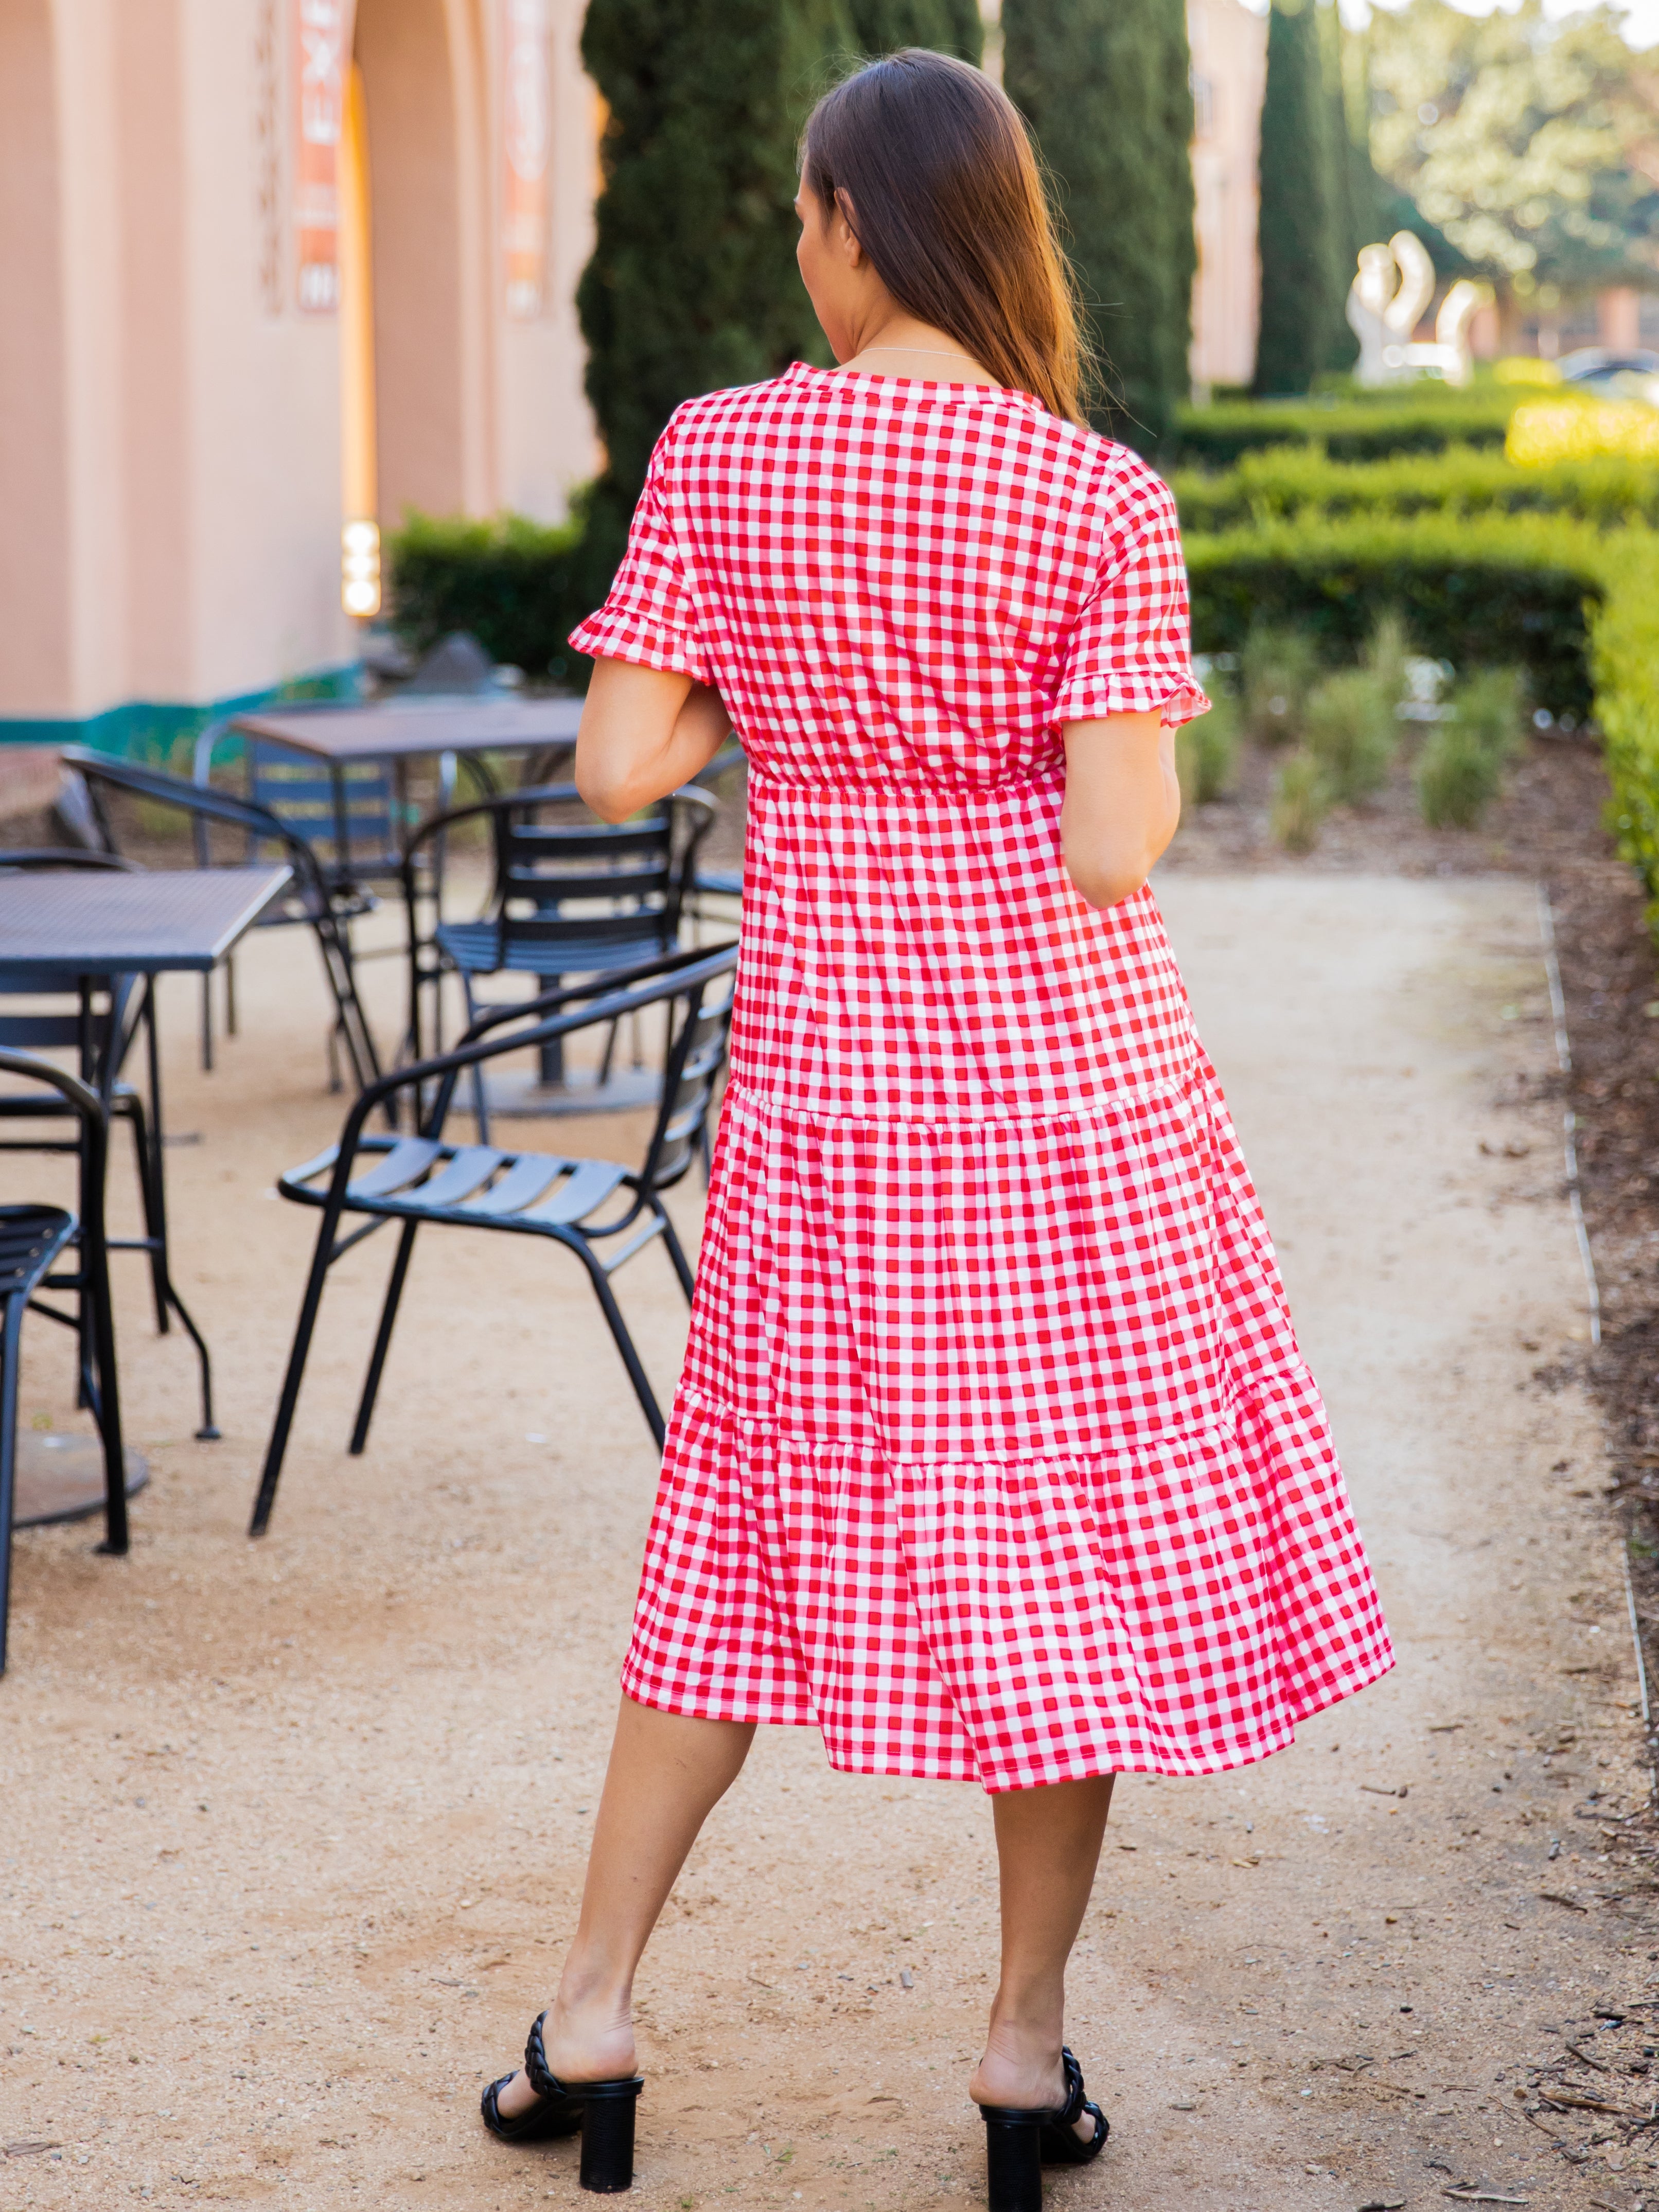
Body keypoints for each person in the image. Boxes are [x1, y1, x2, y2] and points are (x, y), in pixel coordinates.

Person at [480, 47, 1392, 2207]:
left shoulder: (722, 450)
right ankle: (1017, 2048)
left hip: (830, 1094)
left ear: (850, 222)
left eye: (805, 216)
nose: (797, 247)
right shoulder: (1096, 495)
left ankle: (592, 2011)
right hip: (1068, 1097)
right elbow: (1113, 842)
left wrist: (786, 692)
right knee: (1067, 1554)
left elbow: (617, 763)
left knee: (733, 1525)